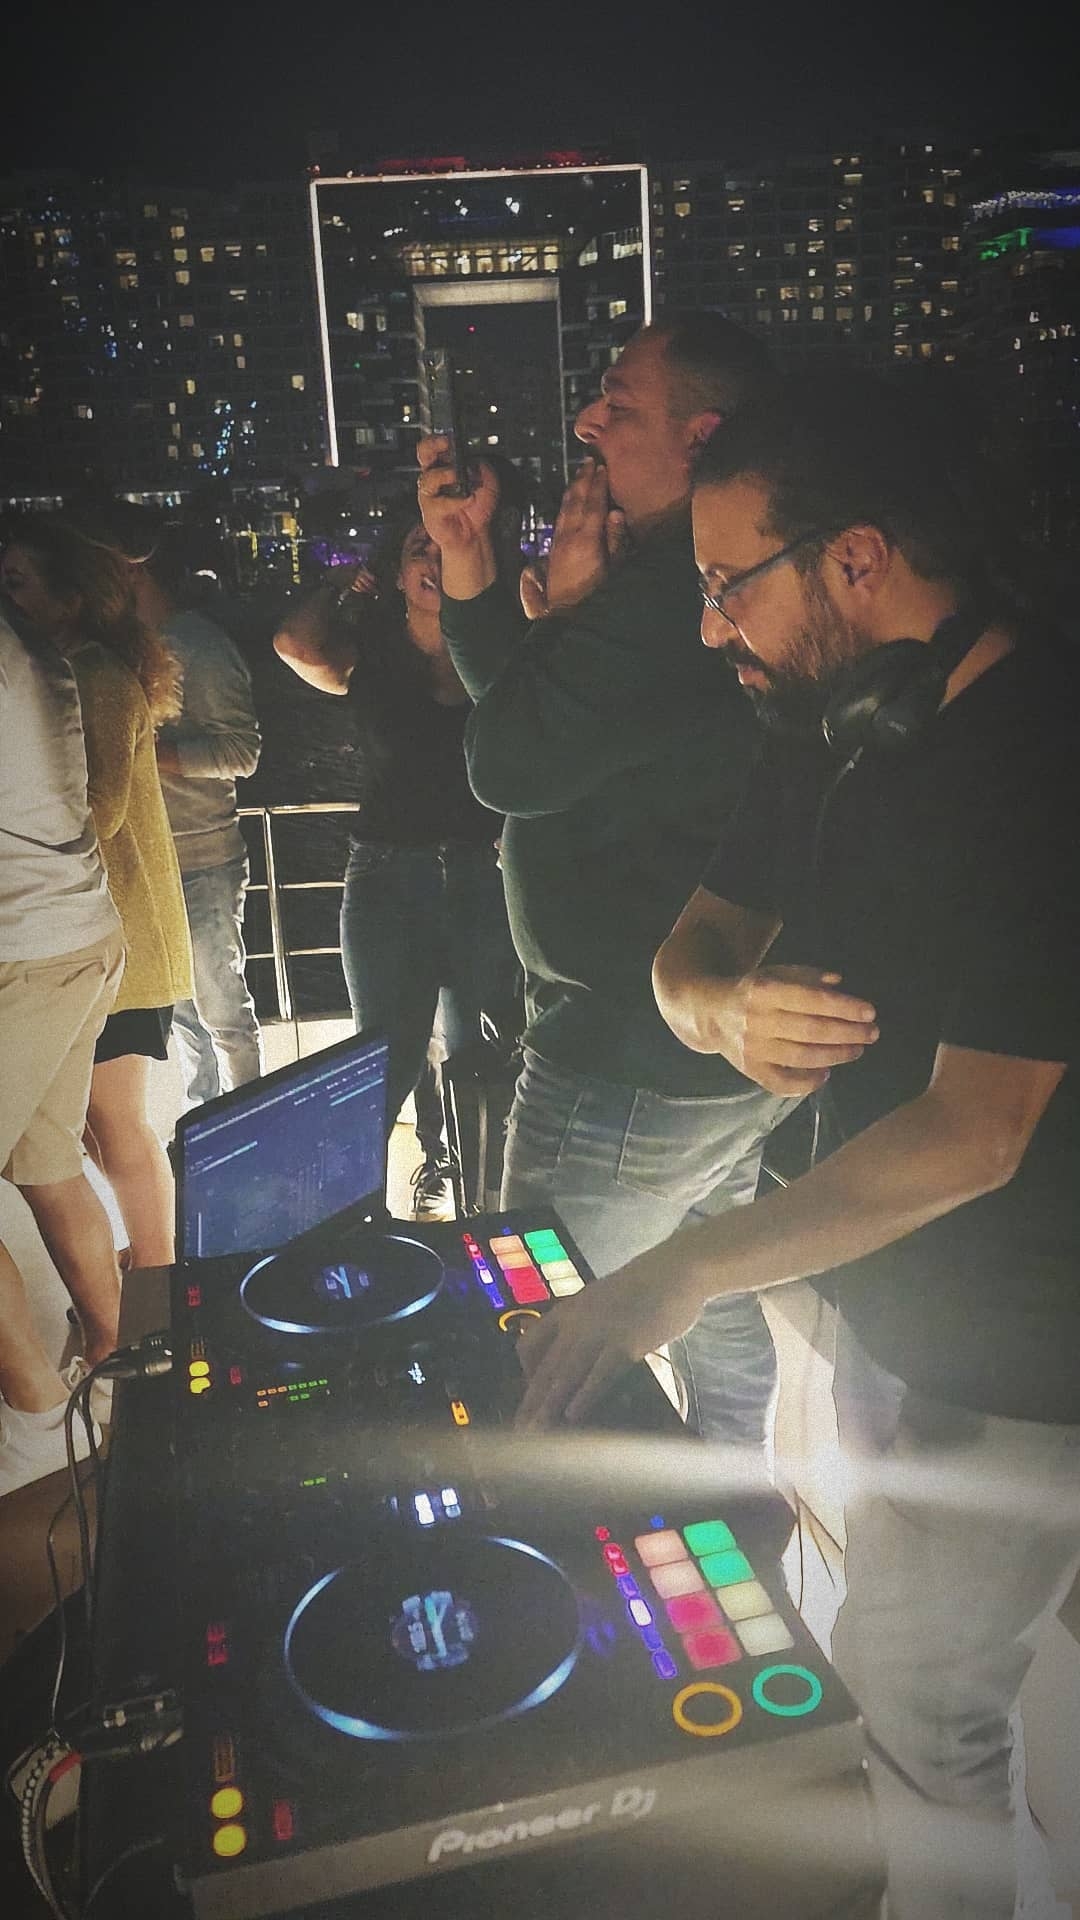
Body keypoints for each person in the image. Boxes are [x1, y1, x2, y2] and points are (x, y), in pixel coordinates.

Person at [516, 369, 1080, 1919]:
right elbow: (688, 952)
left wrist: (682, 1269)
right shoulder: (829, 721)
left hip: (1028, 1343)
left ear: (857, 558)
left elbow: (977, 1134)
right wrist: (722, 1010)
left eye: (728, 584)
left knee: (921, 1702)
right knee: (874, 1618)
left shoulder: (1040, 760)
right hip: (882, 1289)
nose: (711, 627)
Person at [418, 312, 795, 1447]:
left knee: (536, 1341)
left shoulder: (664, 594)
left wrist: (569, 615)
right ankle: (736, 1484)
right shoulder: (686, 577)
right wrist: (476, 574)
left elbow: (508, 764)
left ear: (700, 436)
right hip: (699, 1048)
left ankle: (560, 1539)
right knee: (711, 1293)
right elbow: (538, 715)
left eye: (620, 404)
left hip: (624, 1061)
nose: (588, 422)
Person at [273, 501, 521, 1219]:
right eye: (421, 548)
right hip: (388, 878)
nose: (435, 560)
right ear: (397, 570)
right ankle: (351, 1221)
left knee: (483, 1054)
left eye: (449, 547)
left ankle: (475, 1201)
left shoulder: (507, 652)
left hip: (485, 876)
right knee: (384, 1059)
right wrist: (344, 583)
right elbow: (293, 641)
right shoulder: (371, 657)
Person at [1, 520, 192, 1270]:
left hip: (122, 938)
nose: (6, 598)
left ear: (70, 599)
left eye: (18, 583)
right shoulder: (68, 670)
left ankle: (157, 1278)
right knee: (90, 1127)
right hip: (107, 931)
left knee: (114, 1124)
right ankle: (142, 1276)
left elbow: (102, 808)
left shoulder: (94, 677)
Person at [70, 503, 263, 1108]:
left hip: (203, 859)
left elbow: (242, 751)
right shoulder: (125, 649)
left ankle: (247, 1121)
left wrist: (144, 753)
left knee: (221, 1010)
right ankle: (204, 1122)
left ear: (132, 571)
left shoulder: (199, 645)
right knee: (181, 1013)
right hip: (153, 864)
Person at [0, 614, 124, 1492]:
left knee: (51, 1164)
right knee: (48, 1163)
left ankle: (41, 1418)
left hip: (23, 949)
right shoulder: (31, 644)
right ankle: (119, 1372)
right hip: (77, 931)